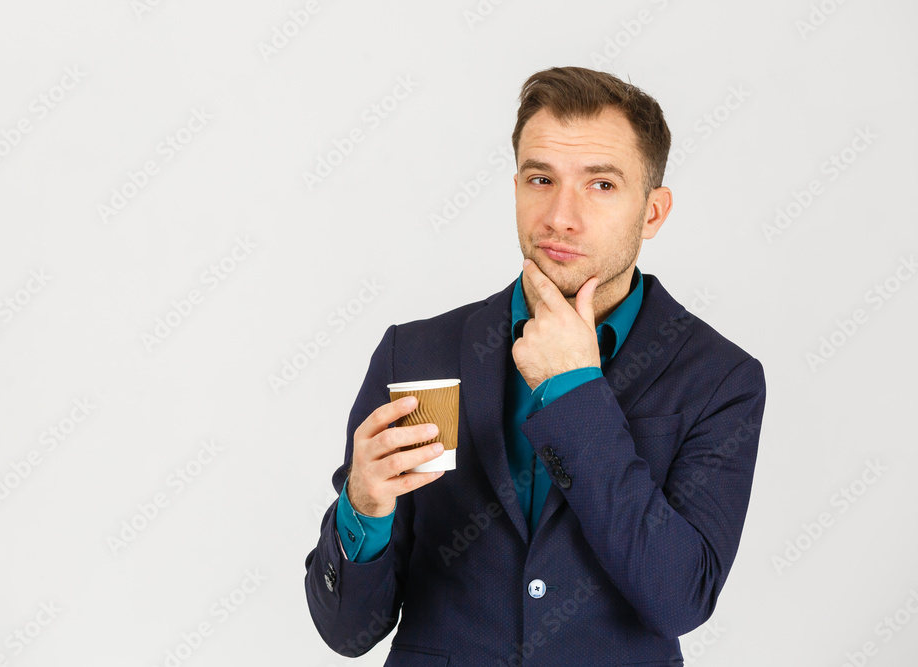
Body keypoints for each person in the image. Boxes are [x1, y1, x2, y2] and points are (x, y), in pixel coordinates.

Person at [304, 65, 766, 666]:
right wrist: (362, 511)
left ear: (652, 212)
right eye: (541, 178)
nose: (560, 217)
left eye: (601, 185)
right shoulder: (416, 353)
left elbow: (679, 598)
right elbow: (348, 633)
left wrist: (574, 389)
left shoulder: (720, 380)